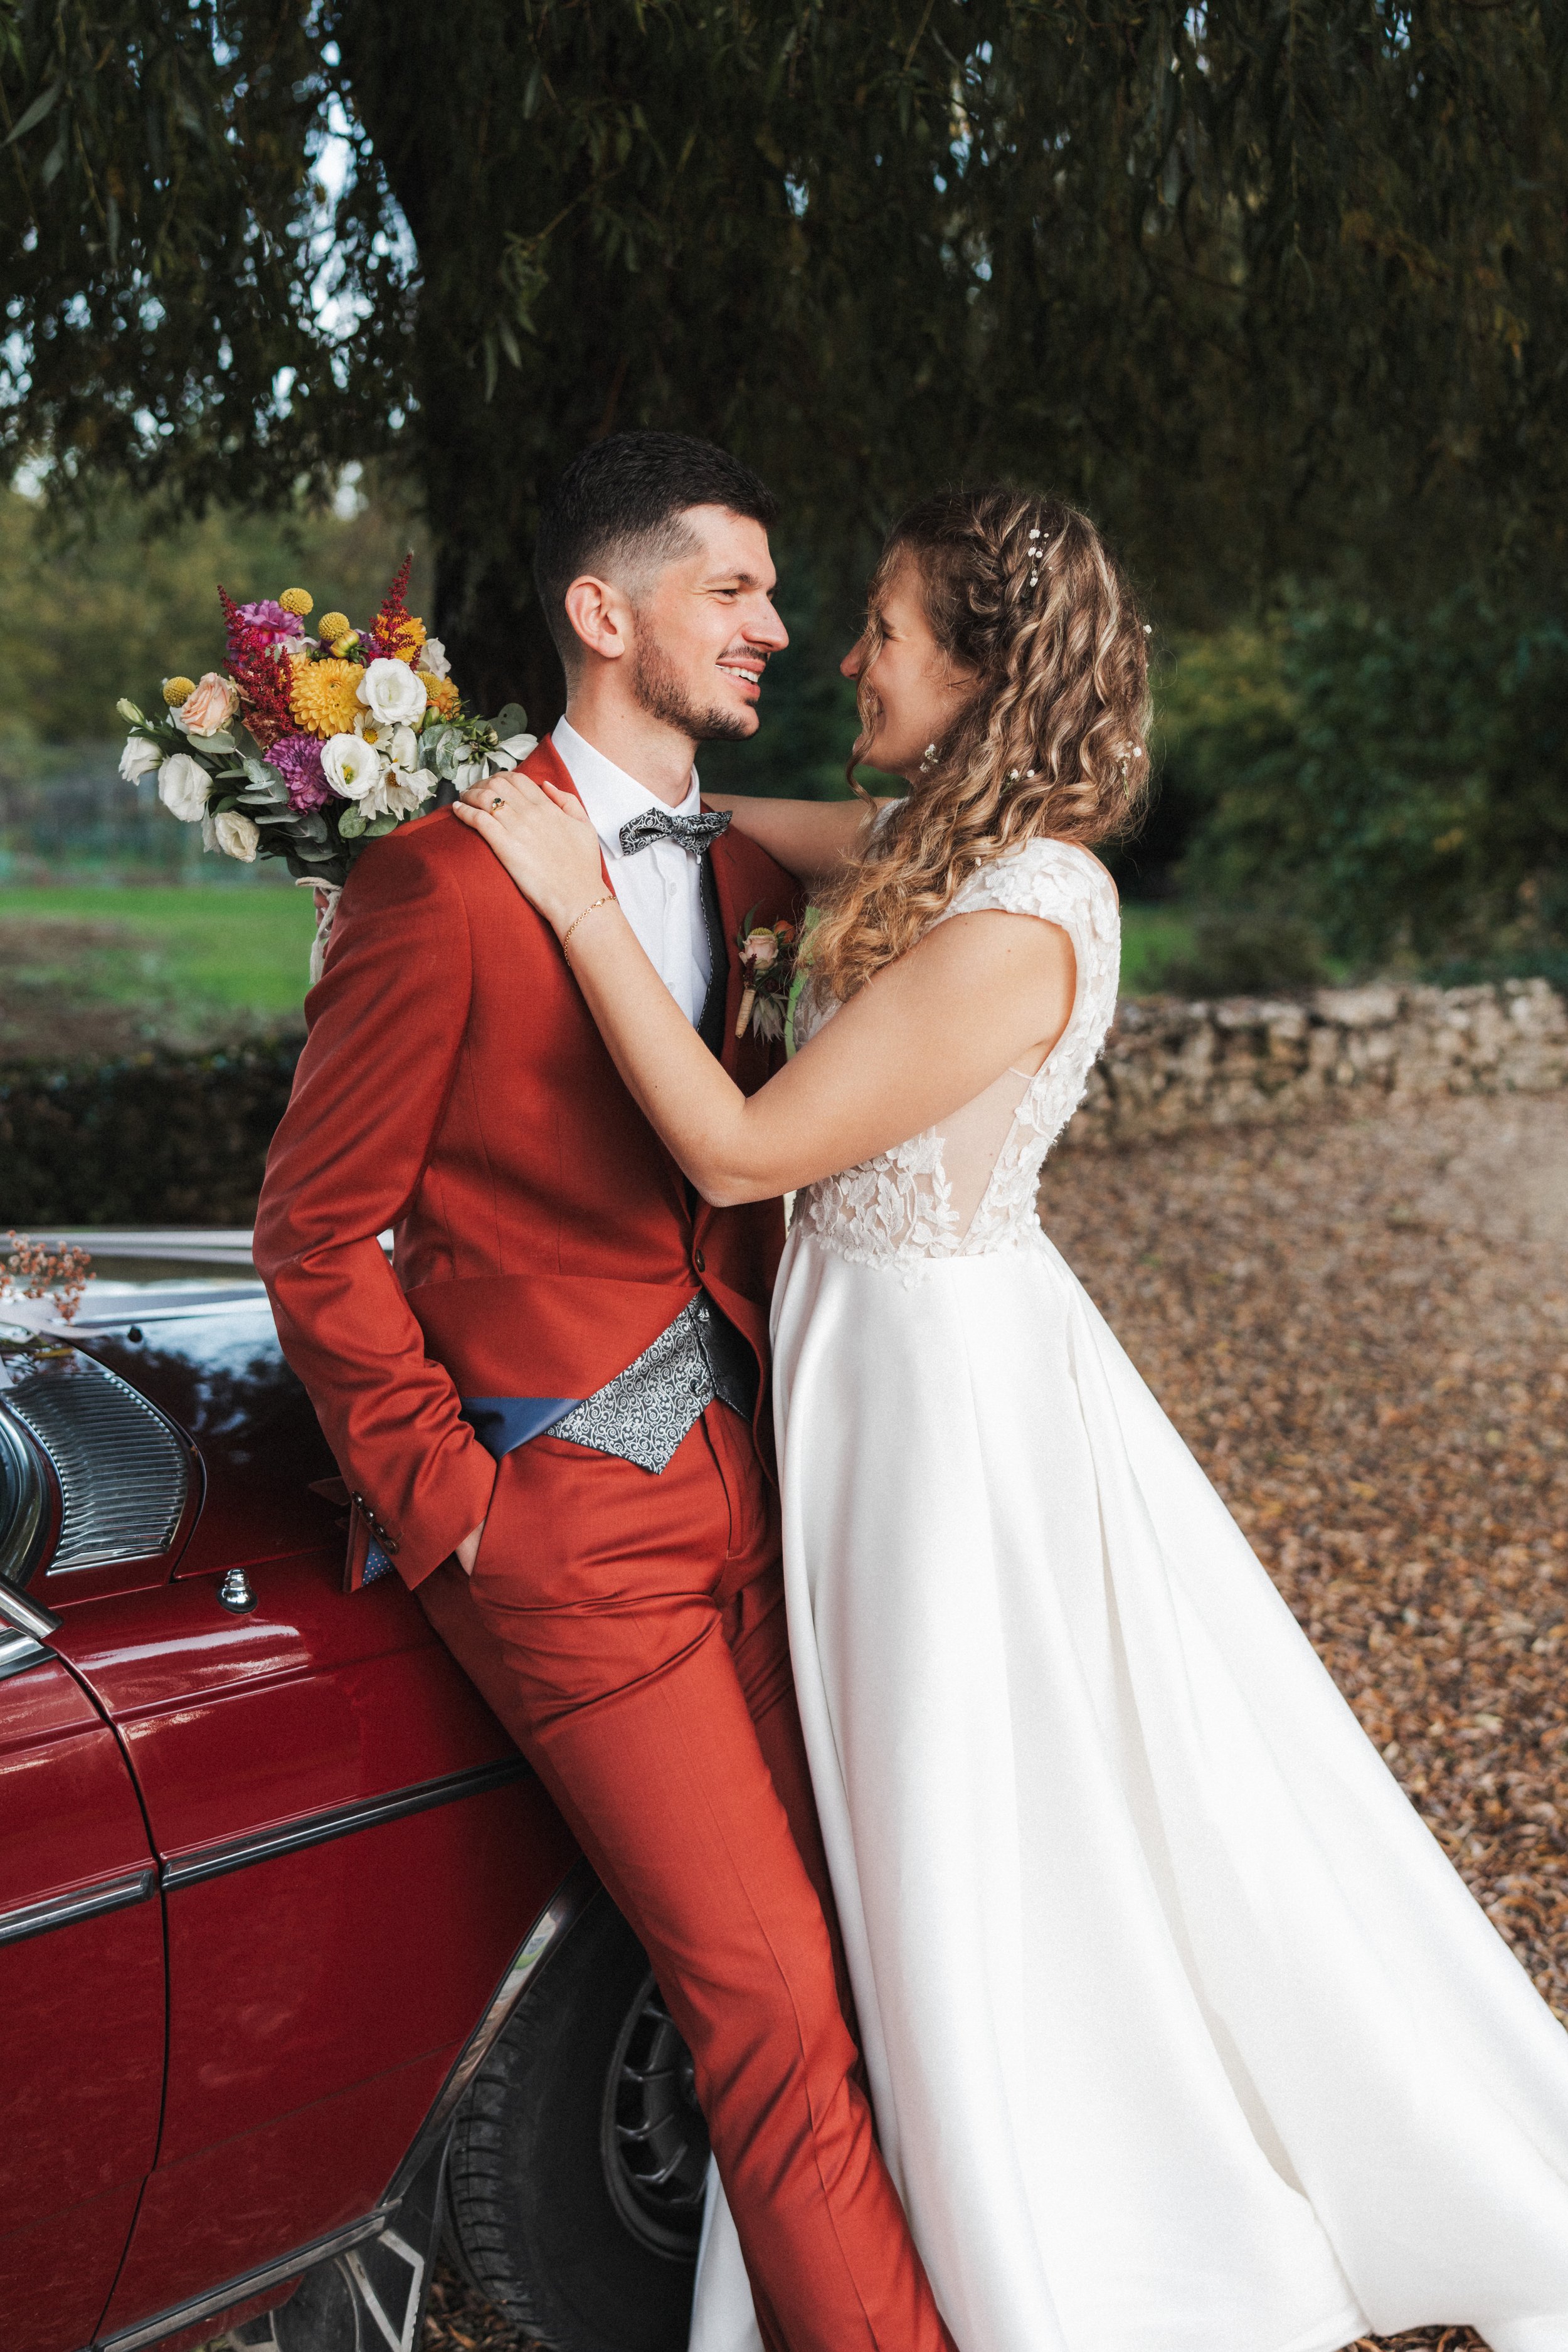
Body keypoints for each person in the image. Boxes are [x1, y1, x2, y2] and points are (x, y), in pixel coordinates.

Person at [455, 482, 1568, 2352]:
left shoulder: (1030, 911)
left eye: (882, 630)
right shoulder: (918, 847)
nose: (844, 658)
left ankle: (1057, 2199)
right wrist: (568, 803)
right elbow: (709, 816)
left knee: (957, 1807)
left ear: (971, 674)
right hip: (863, 1370)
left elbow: (735, 1148)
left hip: (935, 1415)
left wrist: (575, 914)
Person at [253, 432, 957, 2352]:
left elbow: (982, 859)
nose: (777, 626)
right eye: (731, 588)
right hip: (562, 1536)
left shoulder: (735, 861)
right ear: (602, 610)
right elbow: (316, 1236)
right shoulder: (437, 885)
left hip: (760, 1491)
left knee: (877, 1953)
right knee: (766, 2011)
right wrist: (454, 1511)